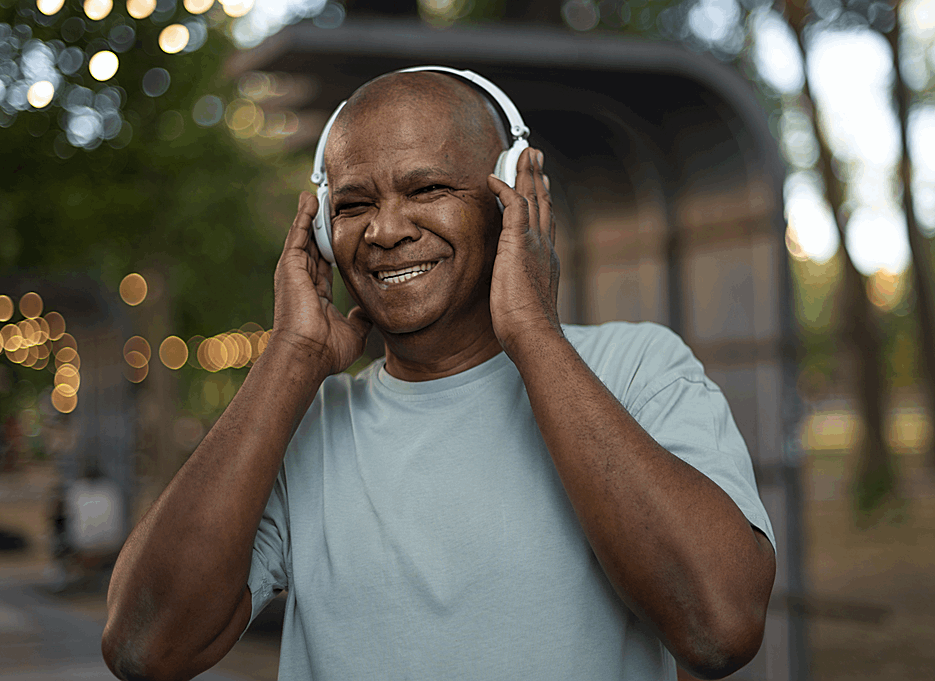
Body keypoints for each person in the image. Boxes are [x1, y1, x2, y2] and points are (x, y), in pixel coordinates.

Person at [102, 68, 776, 681]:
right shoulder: (307, 424)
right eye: (353, 204)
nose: (385, 230)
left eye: (426, 188)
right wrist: (291, 355)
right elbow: (144, 644)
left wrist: (533, 332)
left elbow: (719, 626)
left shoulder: (638, 368)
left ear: (513, 192)